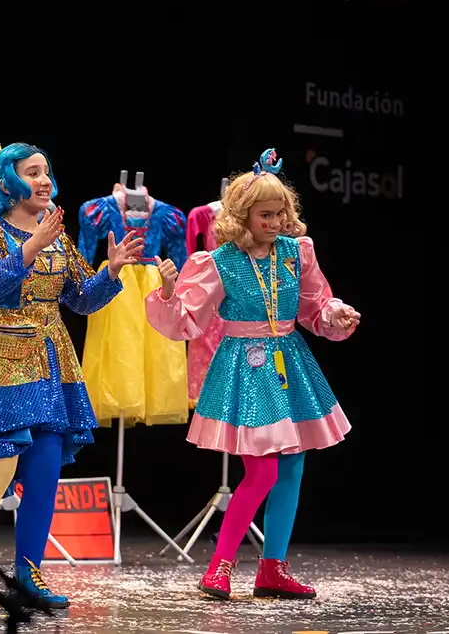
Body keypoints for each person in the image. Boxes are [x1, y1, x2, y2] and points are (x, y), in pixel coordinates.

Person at [0, 142, 143, 609]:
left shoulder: (58, 235)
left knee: (46, 470)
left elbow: (80, 299)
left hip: (49, 360)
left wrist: (109, 272)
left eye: (47, 171)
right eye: (33, 173)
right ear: (7, 181)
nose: (44, 180)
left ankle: (29, 575)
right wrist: (32, 246)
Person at [146, 149, 359, 600]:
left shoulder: (296, 253)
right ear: (242, 216)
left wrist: (335, 315)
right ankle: (220, 567)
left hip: (290, 364)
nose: (277, 221)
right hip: (245, 366)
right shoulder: (217, 262)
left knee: (293, 467)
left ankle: (271, 569)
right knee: (261, 473)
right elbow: (185, 320)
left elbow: (315, 306)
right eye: (266, 214)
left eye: (282, 212)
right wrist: (166, 293)